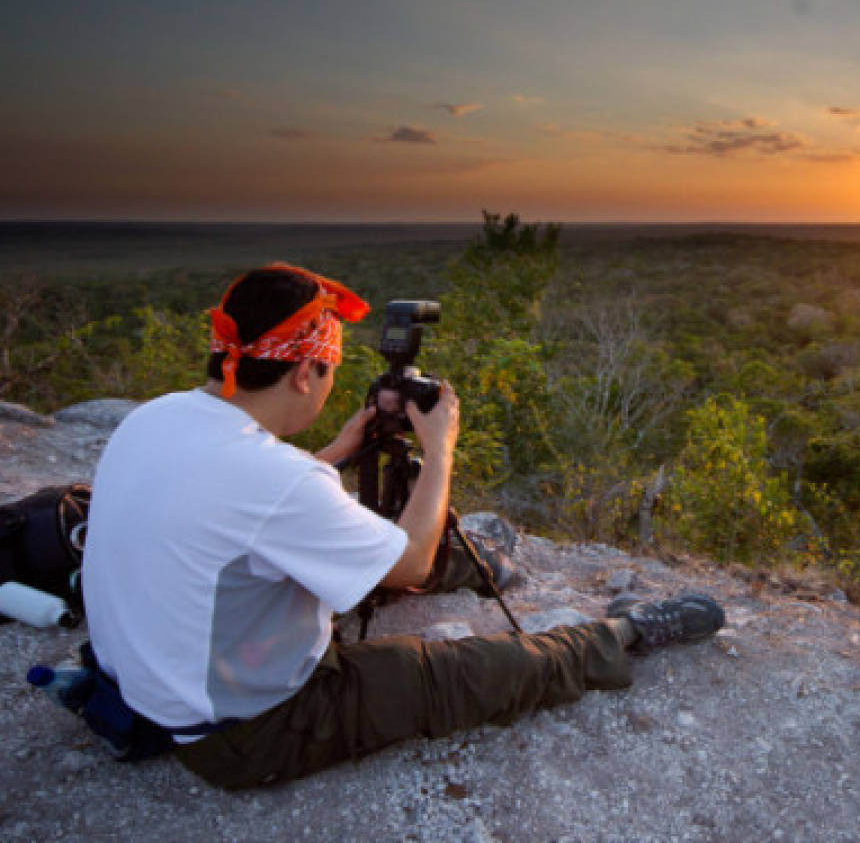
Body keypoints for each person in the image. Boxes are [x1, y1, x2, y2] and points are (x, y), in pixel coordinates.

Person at [81, 263, 724, 789]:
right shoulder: (278, 481)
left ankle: (480, 559)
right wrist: (440, 449)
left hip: (159, 679)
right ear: (305, 372)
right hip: (243, 732)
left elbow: (238, 499)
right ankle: (623, 634)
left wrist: (335, 454)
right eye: (330, 371)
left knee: (349, 549)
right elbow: (409, 562)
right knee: (455, 671)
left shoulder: (153, 418)